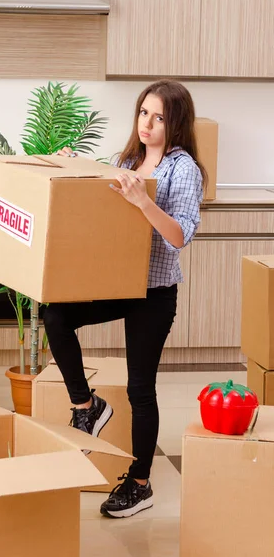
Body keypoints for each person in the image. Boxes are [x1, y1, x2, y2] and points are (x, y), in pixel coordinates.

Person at [43, 79, 206, 518]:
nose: (148, 124)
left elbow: (180, 236)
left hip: (154, 292)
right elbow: (96, 201)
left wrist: (142, 201)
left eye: (159, 117)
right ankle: (87, 405)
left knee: (140, 389)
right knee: (54, 315)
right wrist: (72, 169)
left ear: (176, 124)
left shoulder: (183, 168)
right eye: (143, 113)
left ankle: (139, 482)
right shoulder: (127, 159)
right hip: (116, 282)